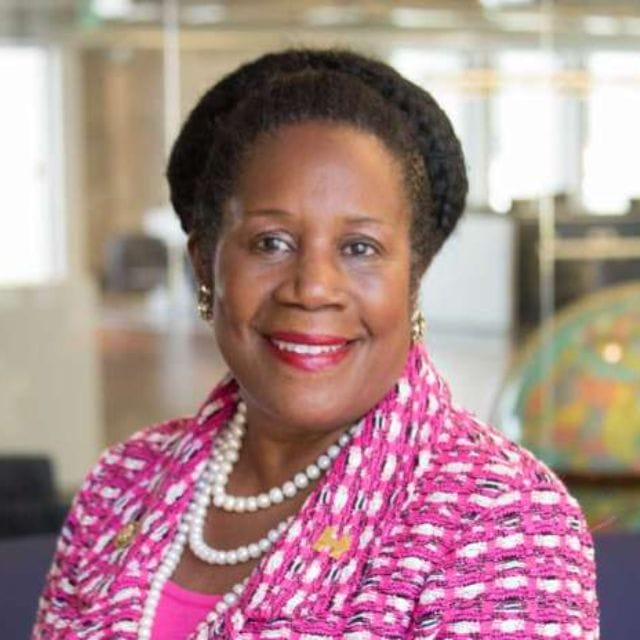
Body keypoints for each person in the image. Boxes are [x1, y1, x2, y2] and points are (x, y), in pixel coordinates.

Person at [33, 48, 598, 639]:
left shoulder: (500, 517)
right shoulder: (121, 485)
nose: (312, 288)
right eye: (271, 242)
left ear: (414, 278)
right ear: (204, 265)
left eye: (359, 248)